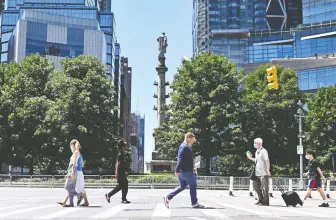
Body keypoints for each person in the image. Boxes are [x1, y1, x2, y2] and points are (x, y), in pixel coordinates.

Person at [164, 132, 205, 209]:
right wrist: (177, 170)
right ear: (188, 138)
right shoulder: (184, 147)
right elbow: (180, 159)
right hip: (186, 172)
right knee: (193, 185)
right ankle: (194, 203)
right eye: (193, 139)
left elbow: (186, 160)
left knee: (182, 186)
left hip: (185, 171)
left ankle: (168, 197)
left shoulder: (185, 146)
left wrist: (191, 167)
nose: (194, 141)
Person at [105, 140, 131, 204]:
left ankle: (109, 195)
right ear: (122, 146)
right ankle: (122, 198)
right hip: (120, 173)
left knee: (121, 186)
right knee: (124, 185)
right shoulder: (120, 155)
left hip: (122, 172)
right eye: (125, 146)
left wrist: (125, 171)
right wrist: (116, 174)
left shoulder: (122, 154)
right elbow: (117, 164)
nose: (126, 147)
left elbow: (122, 165)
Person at [247, 138, 270, 206]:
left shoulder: (263, 151)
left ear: (259, 143)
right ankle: (261, 199)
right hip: (257, 173)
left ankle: (266, 202)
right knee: (255, 185)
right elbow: (257, 160)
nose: (254, 144)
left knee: (264, 188)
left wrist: (268, 170)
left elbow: (267, 160)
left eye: (255, 143)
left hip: (263, 172)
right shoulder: (256, 152)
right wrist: (251, 158)